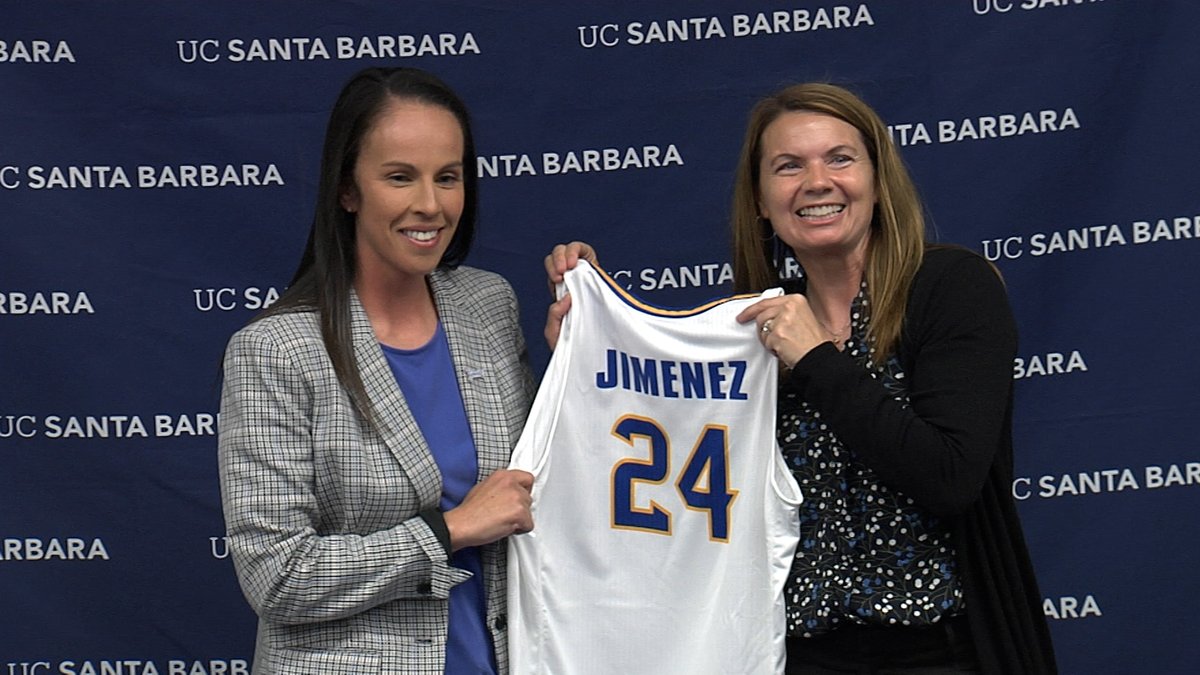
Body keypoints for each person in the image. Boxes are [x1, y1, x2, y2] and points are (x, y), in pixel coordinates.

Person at [544, 82, 1057, 674]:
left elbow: (950, 475)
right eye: (789, 167)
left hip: (945, 652)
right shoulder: (752, 327)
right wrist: (590, 355)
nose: (817, 182)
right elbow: (677, 476)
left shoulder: (950, 287)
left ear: (878, 179)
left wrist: (816, 359)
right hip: (801, 655)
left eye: (840, 158)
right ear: (761, 200)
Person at [218, 66, 535, 674]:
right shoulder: (275, 350)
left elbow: (539, 488)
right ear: (347, 190)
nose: (430, 205)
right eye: (399, 177)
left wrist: (584, 343)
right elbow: (277, 576)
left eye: (448, 177)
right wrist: (448, 532)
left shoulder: (489, 305)